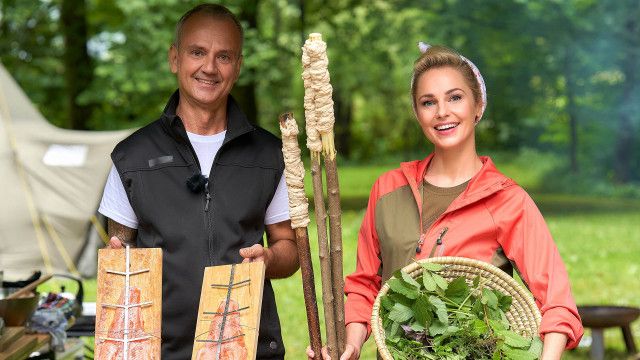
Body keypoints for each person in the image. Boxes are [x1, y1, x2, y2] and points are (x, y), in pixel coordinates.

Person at [308, 43, 583, 360]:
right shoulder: (387, 189)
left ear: (477, 105)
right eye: (428, 102)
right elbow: (364, 285)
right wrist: (351, 345)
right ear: (417, 113)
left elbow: (557, 303)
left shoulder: (508, 200)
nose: (442, 112)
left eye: (455, 97)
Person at [98, 4, 299, 359]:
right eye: (197, 52)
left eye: (224, 56)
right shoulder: (131, 157)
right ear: (175, 58)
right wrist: (118, 259)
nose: (209, 67)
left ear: (238, 66)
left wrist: (268, 257)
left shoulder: (270, 155)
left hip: (249, 348)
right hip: (161, 351)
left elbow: (290, 247)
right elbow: (119, 249)